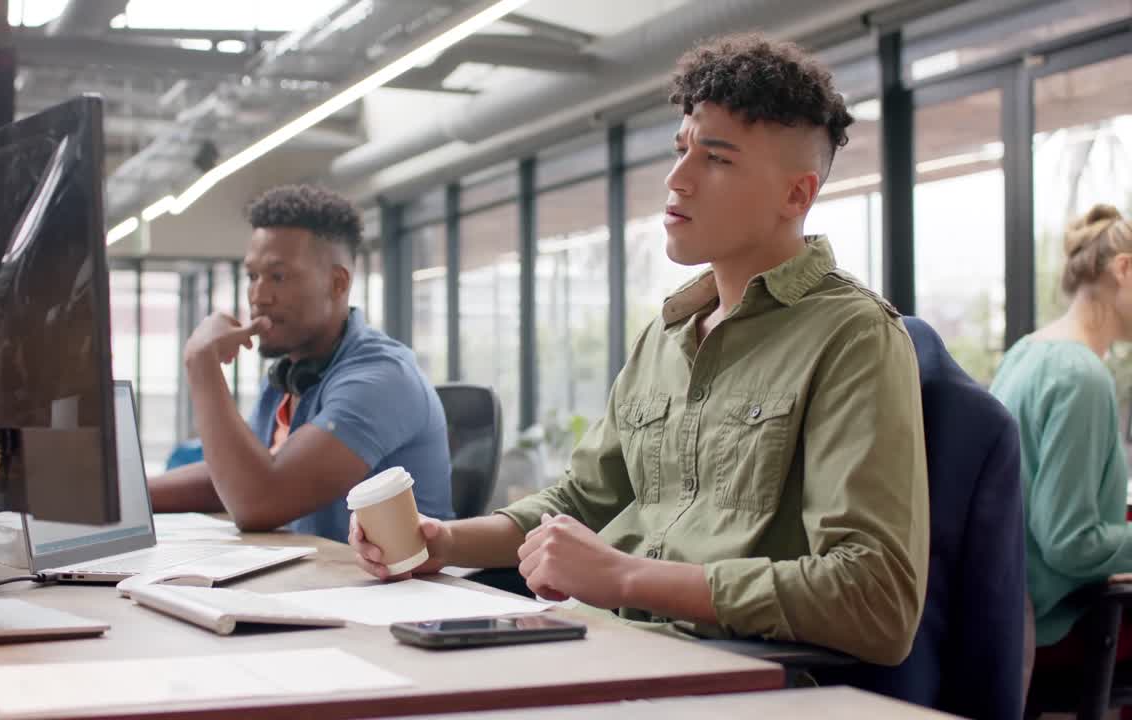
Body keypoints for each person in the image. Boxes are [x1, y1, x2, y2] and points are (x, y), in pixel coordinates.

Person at [350, 33, 930, 666]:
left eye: (717, 158)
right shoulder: (669, 334)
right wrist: (444, 543)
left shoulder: (854, 336)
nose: (676, 178)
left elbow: (877, 600)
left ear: (797, 195)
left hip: (719, 673)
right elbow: (579, 501)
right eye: (681, 149)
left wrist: (626, 578)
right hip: (598, 643)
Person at [149, 184, 454, 539]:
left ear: (337, 283)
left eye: (278, 276)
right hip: (320, 578)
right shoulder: (288, 375)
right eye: (252, 276)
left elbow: (257, 502)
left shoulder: (382, 379)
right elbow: (234, 476)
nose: (258, 296)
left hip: (395, 590)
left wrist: (201, 365)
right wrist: (121, 499)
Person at [991, 204, 1132, 666]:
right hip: (1057, 628)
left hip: (1005, 612)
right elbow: (1071, 542)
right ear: (1123, 269)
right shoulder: (1081, 376)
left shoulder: (1026, 353)